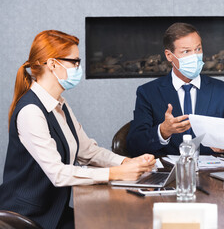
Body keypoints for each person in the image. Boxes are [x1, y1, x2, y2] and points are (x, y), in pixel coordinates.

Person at [0, 30, 156, 229]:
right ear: (52, 64)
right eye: (74, 61)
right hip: (29, 217)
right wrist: (116, 173)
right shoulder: (31, 110)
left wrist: (127, 162)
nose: (78, 67)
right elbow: (58, 174)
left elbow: (87, 151)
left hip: (53, 211)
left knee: (110, 220)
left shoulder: (60, 104)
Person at [126, 22, 224, 157]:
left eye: (198, 49)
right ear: (169, 55)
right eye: (186, 51)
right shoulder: (148, 92)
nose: (195, 56)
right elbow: (133, 145)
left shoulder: (221, 90)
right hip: (167, 172)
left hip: (212, 171)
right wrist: (163, 131)